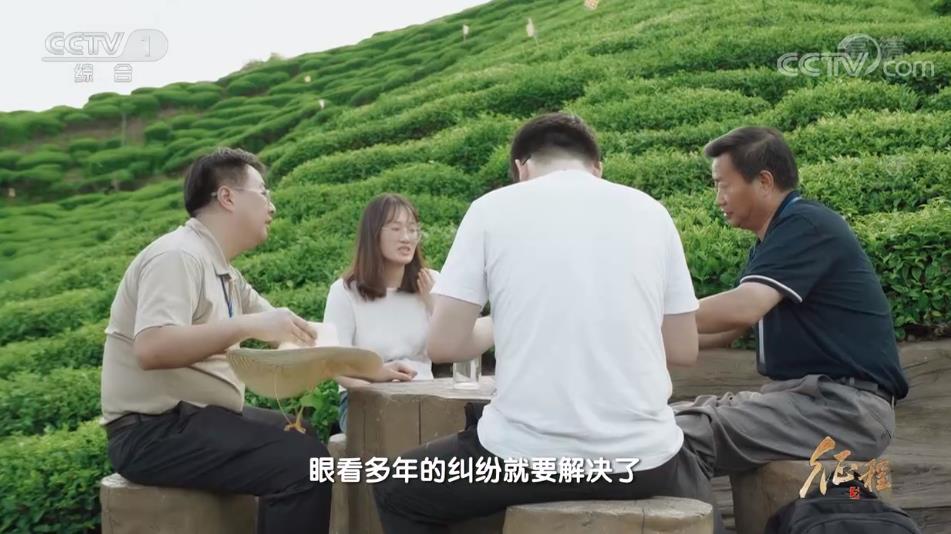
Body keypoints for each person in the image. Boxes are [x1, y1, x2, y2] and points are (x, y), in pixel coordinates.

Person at [372, 113, 722, 533]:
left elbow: (445, 345)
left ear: (521, 168)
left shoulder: (491, 210)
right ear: (597, 168)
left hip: (524, 460)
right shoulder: (651, 212)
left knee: (394, 487)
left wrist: (506, 322)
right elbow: (683, 349)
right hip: (646, 462)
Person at [101, 147, 334, 534]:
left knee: (300, 432)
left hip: (197, 420)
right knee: (304, 463)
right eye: (263, 193)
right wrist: (248, 326)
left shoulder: (223, 271)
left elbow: (293, 330)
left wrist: (368, 363)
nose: (272, 206)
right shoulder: (177, 256)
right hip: (153, 432)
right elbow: (152, 347)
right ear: (227, 197)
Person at [674, 126, 909, 479]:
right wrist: (646, 341)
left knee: (681, 434)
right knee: (666, 419)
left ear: (764, 181)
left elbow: (744, 307)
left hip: (845, 410)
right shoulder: (774, 238)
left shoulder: (805, 225)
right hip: (803, 402)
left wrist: (648, 316)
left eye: (723, 185)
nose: (718, 199)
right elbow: (728, 330)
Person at [325, 193, 462, 432]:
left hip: (425, 396)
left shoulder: (431, 282)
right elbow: (332, 363)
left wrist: (434, 304)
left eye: (412, 229)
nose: (406, 237)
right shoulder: (345, 291)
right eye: (396, 229)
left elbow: (458, 346)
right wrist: (374, 384)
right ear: (373, 234)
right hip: (366, 398)